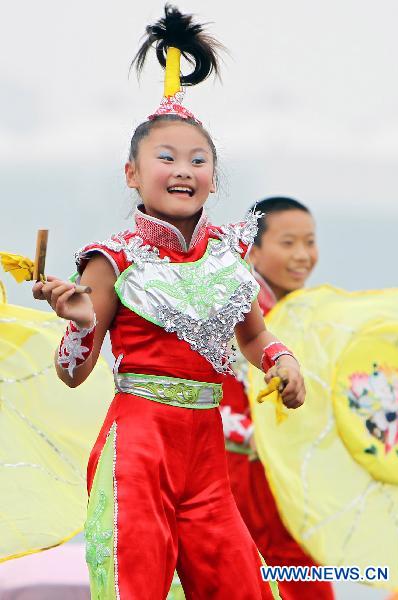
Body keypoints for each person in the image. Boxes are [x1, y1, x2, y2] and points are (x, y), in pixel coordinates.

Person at [32, 8, 305, 600]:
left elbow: (252, 335)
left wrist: (283, 362)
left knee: (245, 588)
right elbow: (72, 372)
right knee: (136, 589)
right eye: (166, 158)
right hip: (138, 454)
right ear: (131, 173)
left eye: (198, 160)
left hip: (208, 461)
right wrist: (81, 325)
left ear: (213, 174)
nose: (184, 170)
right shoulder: (112, 258)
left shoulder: (230, 255)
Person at [220, 196, 335, 600]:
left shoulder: (302, 312)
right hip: (242, 471)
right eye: (288, 243)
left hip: (286, 473)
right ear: (252, 249)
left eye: (309, 242)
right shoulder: (239, 308)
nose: (302, 255)